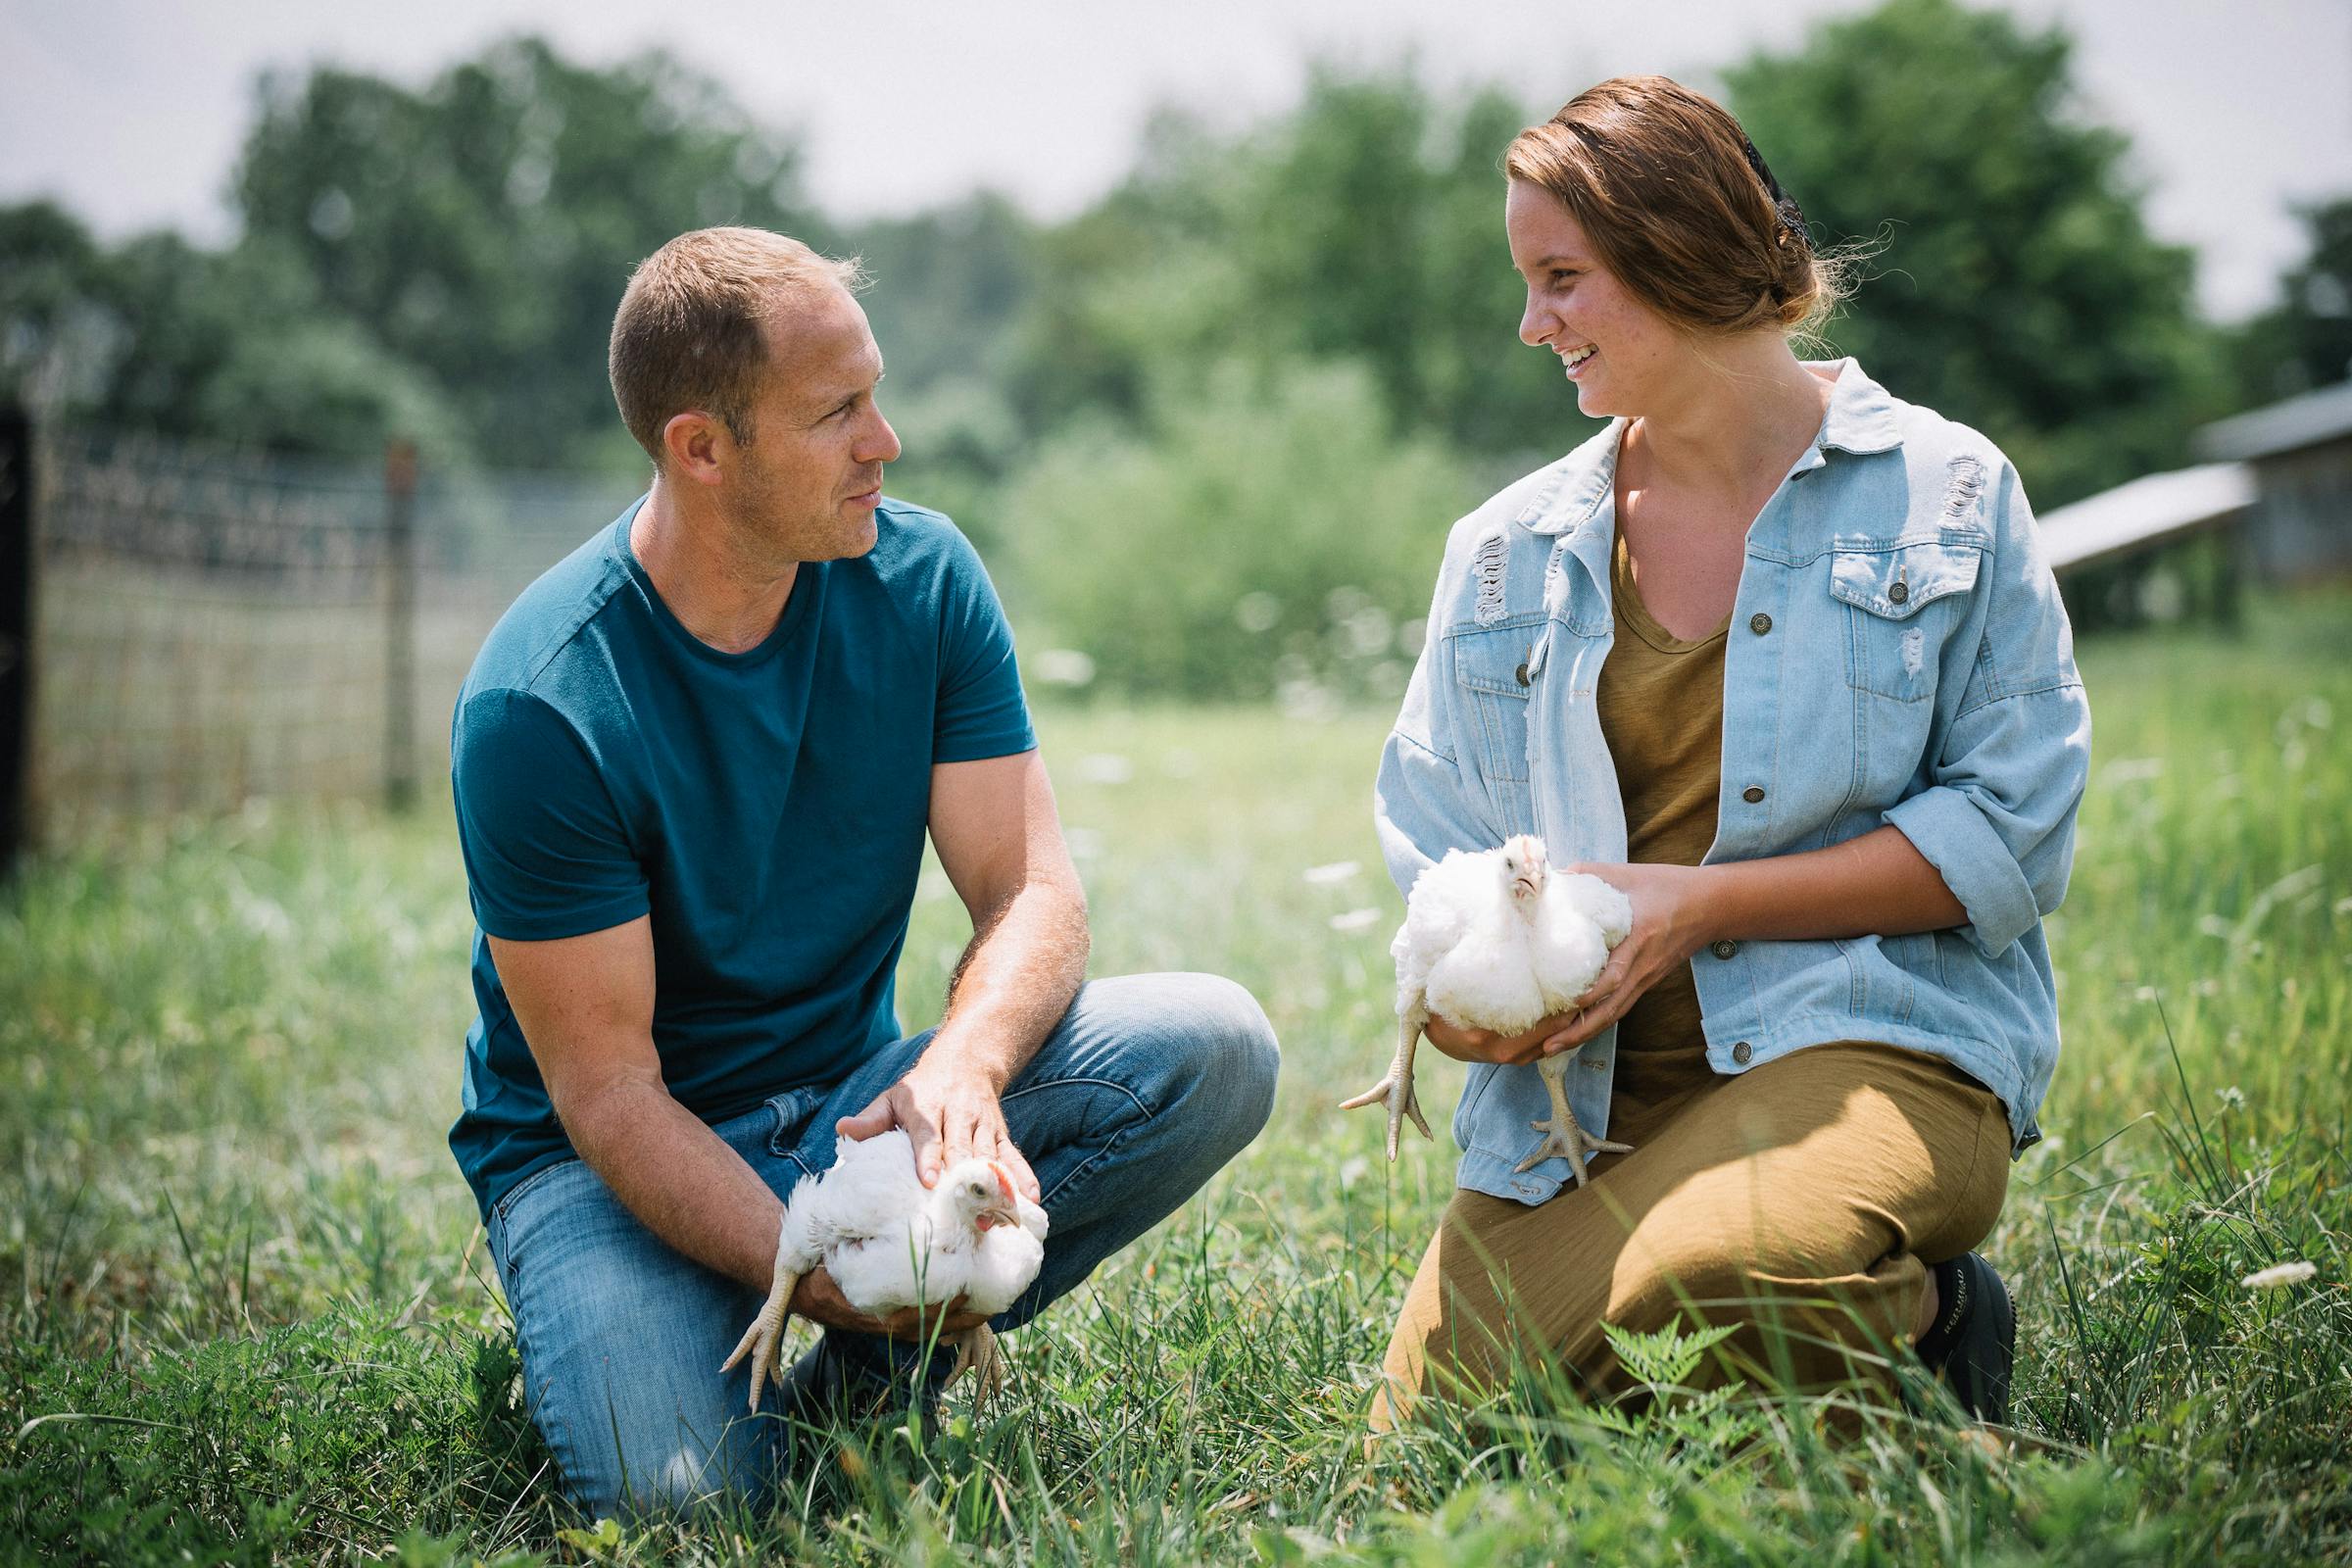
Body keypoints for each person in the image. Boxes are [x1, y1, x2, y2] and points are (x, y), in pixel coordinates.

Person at [448, 226, 1279, 1517]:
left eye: (875, 394)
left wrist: (965, 1064)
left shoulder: (925, 576)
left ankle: (862, 1385)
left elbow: (1032, 895)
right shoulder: (545, 701)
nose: (884, 440)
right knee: (689, 1500)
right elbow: (609, 1094)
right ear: (702, 449)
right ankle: (752, 1337)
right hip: (609, 1162)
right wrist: (806, 1261)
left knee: (1215, 1045)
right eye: (837, 413)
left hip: (849, 1105)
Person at [1369, 77, 2089, 1428]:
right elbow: (1437, 836)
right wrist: (1462, 993)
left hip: (1870, 1042)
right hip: (1583, 1113)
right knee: (1448, 1430)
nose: (1533, 324)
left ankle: (1913, 1329)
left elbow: (2013, 835)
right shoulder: (1504, 554)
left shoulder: (1949, 494)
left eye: (1563, 279)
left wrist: (1701, 910)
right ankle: (1863, 1324)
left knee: (1728, 1280)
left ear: (1683, 254)